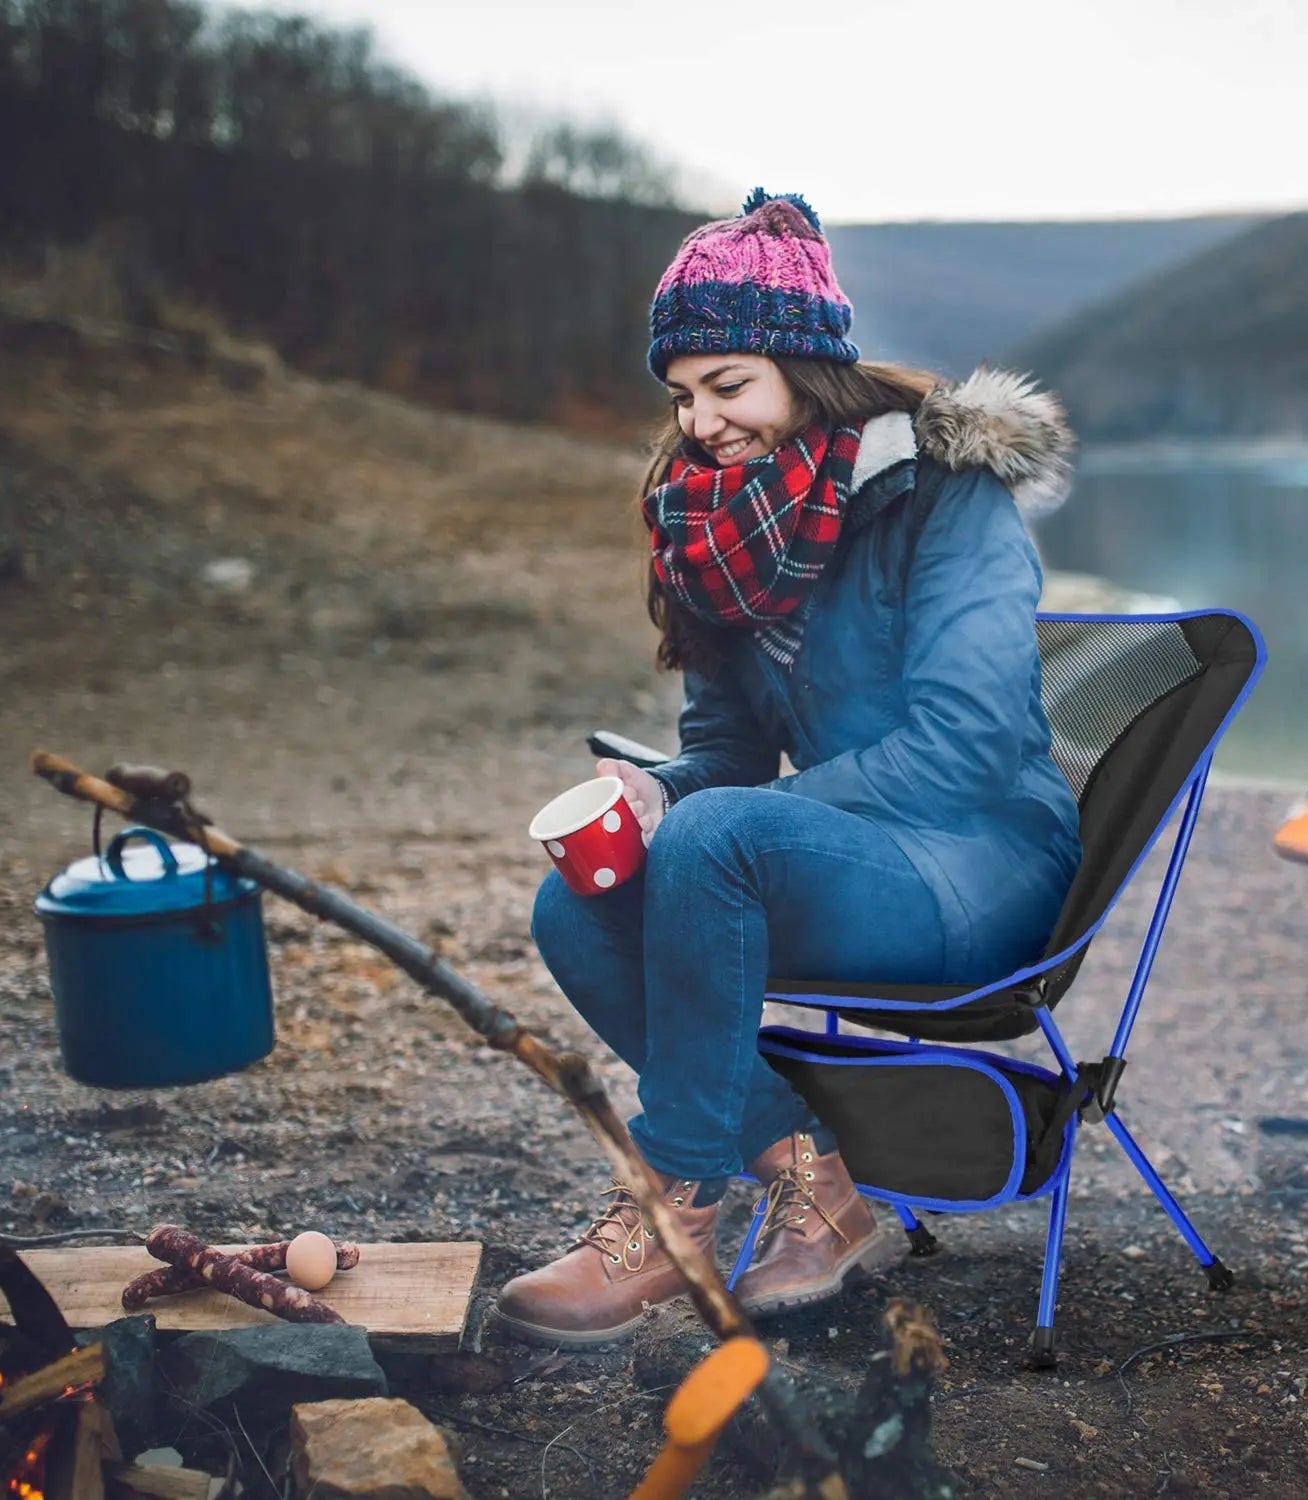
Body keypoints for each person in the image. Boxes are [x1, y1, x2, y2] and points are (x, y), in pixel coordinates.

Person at [491, 189, 1084, 1348]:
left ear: (807, 374)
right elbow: (726, 750)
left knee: (720, 839)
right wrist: (661, 790)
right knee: (578, 904)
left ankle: (675, 1212)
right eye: (683, 394)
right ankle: (821, 1184)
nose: (701, 422)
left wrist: (735, 817)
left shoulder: (946, 495)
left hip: (983, 863)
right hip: (841, 857)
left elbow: (963, 747)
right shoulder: (715, 525)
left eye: (729, 387)